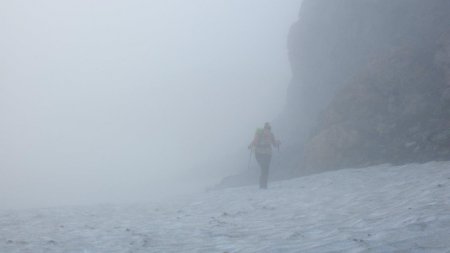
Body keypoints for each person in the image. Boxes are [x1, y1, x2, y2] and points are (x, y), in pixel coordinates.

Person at [248, 122, 280, 189]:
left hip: (267, 154)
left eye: (269, 128)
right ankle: (263, 185)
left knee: (266, 169)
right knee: (264, 168)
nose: (268, 129)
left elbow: (274, 144)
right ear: (264, 128)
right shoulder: (259, 134)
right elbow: (255, 141)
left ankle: (264, 186)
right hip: (259, 154)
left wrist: (278, 143)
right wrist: (250, 145)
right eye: (267, 128)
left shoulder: (271, 135)